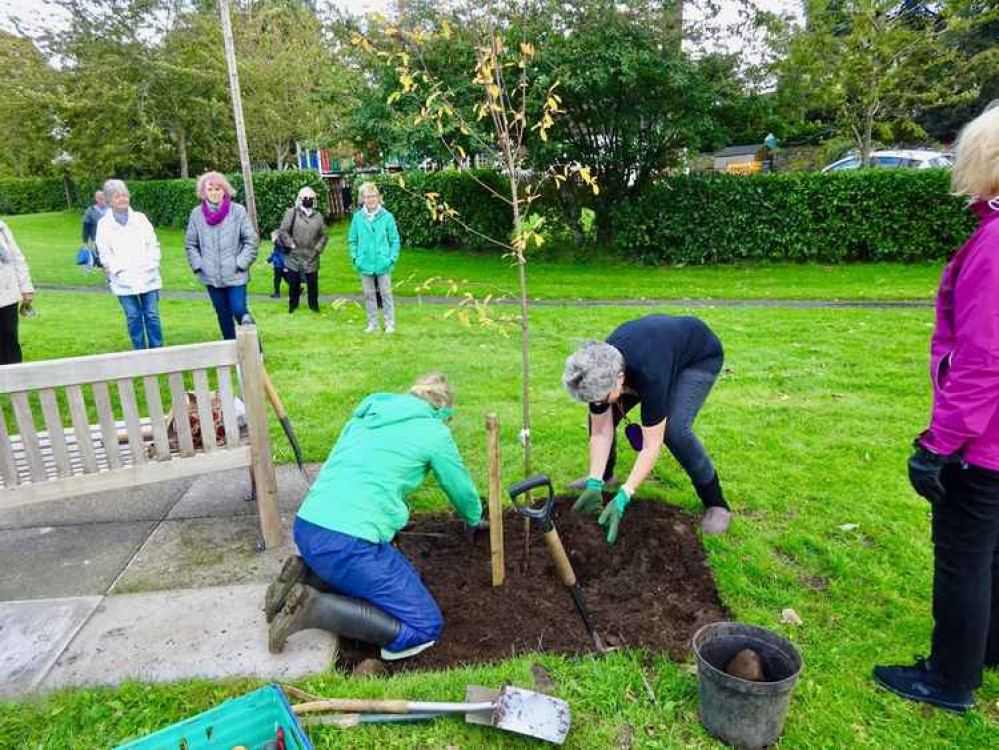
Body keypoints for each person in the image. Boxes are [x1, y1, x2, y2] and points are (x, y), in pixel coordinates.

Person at [873, 106, 999, 714]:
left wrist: (940, 445)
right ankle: (987, 646)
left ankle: (950, 678)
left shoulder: (996, 245)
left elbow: (982, 360)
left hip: (984, 441)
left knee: (964, 556)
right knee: (994, 549)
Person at [266, 373, 485, 661]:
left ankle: (309, 574)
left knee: (377, 570)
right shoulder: (434, 432)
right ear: (442, 410)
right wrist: (473, 518)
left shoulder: (367, 417)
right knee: (424, 625)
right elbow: (460, 488)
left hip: (309, 525)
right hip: (348, 544)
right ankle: (314, 608)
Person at [563, 314, 732, 542]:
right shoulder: (597, 366)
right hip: (660, 350)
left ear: (620, 378)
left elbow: (652, 445)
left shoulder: (650, 374)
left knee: (675, 431)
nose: (597, 403)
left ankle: (716, 503)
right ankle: (604, 476)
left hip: (698, 356)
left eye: (601, 398)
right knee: (603, 415)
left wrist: (625, 495)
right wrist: (594, 482)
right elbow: (601, 431)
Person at [184, 172, 258, 340]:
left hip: (236, 275)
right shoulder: (196, 214)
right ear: (204, 192)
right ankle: (231, 351)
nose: (214, 192)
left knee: (239, 310)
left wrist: (241, 263)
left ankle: (255, 350)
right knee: (223, 314)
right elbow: (191, 244)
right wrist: (199, 265)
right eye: (210, 189)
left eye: (218, 188)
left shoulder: (237, 211)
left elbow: (251, 241)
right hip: (211, 277)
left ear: (225, 190)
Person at [95, 180, 163, 350]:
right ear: (110, 200)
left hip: (148, 275)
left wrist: (152, 264)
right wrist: (117, 271)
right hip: (122, 279)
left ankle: (158, 349)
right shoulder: (104, 225)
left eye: (125, 195)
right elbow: (104, 253)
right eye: (118, 196)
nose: (123, 199)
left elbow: (152, 243)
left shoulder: (140, 218)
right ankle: (139, 351)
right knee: (133, 316)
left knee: (152, 315)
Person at [348, 182, 400, 333]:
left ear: (378, 198)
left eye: (373, 196)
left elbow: (394, 240)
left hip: (383, 263)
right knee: (368, 294)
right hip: (365, 263)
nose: (370, 200)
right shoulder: (357, 218)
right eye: (367, 197)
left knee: (386, 293)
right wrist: (355, 257)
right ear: (362, 199)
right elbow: (352, 240)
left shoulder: (387, 217)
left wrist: (391, 258)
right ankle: (373, 324)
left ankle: (390, 323)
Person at [275, 186, 327, 313]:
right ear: (300, 199)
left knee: (313, 284)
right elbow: (283, 231)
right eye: (306, 197)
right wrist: (291, 244)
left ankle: (314, 308)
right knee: (294, 284)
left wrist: (318, 249)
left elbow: (324, 235)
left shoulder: (318, 216)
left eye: (311, 198)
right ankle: (293, 308)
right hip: (294, 255)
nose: (308, 200)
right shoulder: (291, 213)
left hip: (312, 256)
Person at [0, 220, 35, 365]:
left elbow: (17, 257)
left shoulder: (1, 226)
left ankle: (14, 384)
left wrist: (26, 287)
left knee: (9, 342)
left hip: (6, 294)